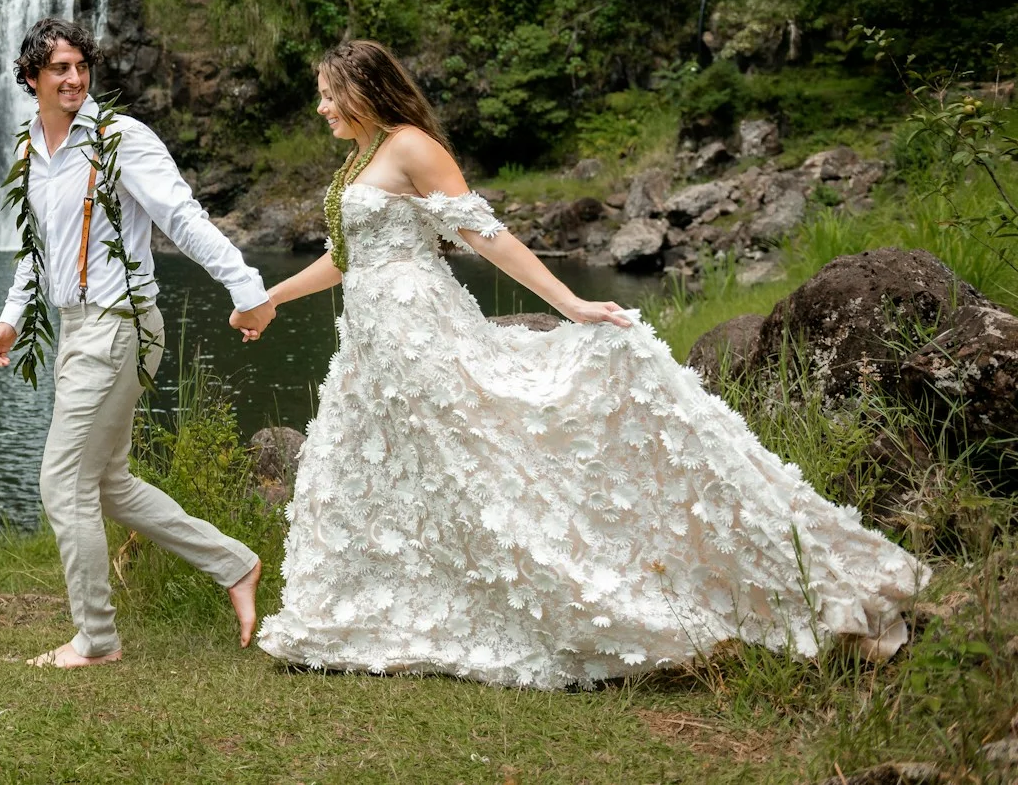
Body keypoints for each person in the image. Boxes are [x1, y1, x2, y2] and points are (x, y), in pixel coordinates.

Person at [235, 39, 928, 688]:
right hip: (372, 339)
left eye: (329, 95)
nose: (322, 109)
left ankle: (564, 597)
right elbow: (347, 257)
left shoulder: (413, 147)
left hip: (419, 327)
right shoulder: (361, 156)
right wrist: (273, 298)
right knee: (398, 473)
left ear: (365, 90)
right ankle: (388, 609)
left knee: (475, 460)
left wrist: (569, 301)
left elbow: (489, 236)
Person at [0, 17, 278, 668]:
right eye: (59, 67)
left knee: (63, 483)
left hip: (122, 325)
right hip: (76, 328)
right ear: (30, 77)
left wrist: (246, 286)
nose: (74, 77)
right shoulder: (31, 151)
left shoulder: (121, 138)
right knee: (108, 484)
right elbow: (39, 250)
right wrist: (11, 316)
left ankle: (97, 639)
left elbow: (181, 217)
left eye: (81, 65)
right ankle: (234, 563)